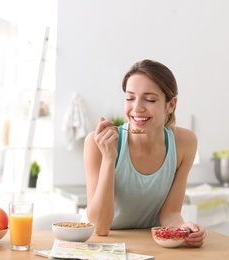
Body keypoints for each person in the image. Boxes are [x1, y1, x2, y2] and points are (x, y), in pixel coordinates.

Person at [83, 59, 206, 247]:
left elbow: (170, 213)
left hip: (152, 246)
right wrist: (109, 158)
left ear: (170, 105)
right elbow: (100, 227)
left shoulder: (185, 143)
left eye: (150, 99)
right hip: (105, 246)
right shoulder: (97, 143)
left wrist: (183, 228)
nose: (137, 108)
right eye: (130, 98)